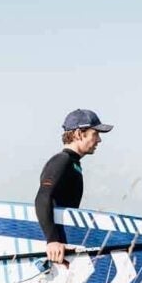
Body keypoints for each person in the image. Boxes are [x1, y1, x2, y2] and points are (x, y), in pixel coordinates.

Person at [38, 109, 112, 265]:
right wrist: (52, 240)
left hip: (64, 244)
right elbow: (43, 197)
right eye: (95, 134)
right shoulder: (61, 161)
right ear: (79, 134)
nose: (99, 140)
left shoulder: (73, 164)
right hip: (55, 247)